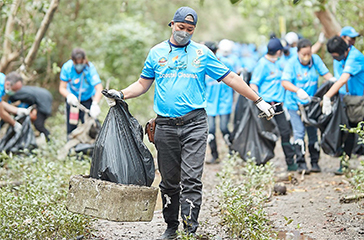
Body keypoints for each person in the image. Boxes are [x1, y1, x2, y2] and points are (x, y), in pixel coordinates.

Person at [104, 6, 275, 239]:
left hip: (195, 124)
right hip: (164, 127)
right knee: (169, 181)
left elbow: (231, 77)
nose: (184, 32)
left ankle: (190, 229)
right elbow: (143, 84)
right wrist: (121, 93)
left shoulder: (202, 54)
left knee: (192, 179)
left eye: (190, 29)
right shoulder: (156, 53)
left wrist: (258, 100)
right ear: (172, 25)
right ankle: (171, 227)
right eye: (181, 27)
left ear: (194, 30)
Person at [322, 36, 364, 174]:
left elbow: (343, 79)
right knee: (348, 132)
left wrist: (327, 96)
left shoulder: (354, 57)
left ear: (343, 51)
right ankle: (344, 163)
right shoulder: (344, 58)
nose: (335, 59)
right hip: (353, 101)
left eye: (335, 56)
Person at [282, 38, 335, 174]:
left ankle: (315, 162)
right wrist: (297, 90)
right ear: (298, 52)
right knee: (299, 132)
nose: (306, 57)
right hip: (295, 104)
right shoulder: (292, 63)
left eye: (308, 54)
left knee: (312, 133)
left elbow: (326, 74)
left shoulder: (315, 60)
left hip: (312, 105)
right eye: (303, 54)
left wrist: (334, 82)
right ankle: (301, 163)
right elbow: (285, 82)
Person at [250, 38, 297, 171]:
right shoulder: (262, 64)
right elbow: (253, 84)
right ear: (278, 52)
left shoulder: (279, 63)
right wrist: (259, 101)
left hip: (278, 106)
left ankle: (290, 162)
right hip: (266, 106)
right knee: (267, 134)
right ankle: (262, 163)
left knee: (285, 132)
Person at [59, 48, 103, 136]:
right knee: (72, 126)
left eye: (81, 62)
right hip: (73, 101)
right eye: (76, 63)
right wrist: (69, 96)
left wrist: (95, 103)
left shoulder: (89, 68)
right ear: (73, 61)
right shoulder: (67, 68)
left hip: (87, 99)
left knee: (91, 126)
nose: (79, 65)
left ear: (84, 60)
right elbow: (62, 88)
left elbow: (99, 88)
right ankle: (72, 147)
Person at [204, 41, 233, 164]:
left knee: (224, 128)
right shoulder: (202, 65)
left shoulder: (225, 64)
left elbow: (233, 80)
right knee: (210, 131)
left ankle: (232, 152)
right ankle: (214, 155)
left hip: (224, 102)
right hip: (209, 104)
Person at [7, 72, 53, 141]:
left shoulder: (16, 94)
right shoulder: (19, 91)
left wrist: (27, 109)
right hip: (45, 97)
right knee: (38, 124)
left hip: (43, 101)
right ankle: (48, 139)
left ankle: (50, 140)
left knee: (38, 124)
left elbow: (30, 99)